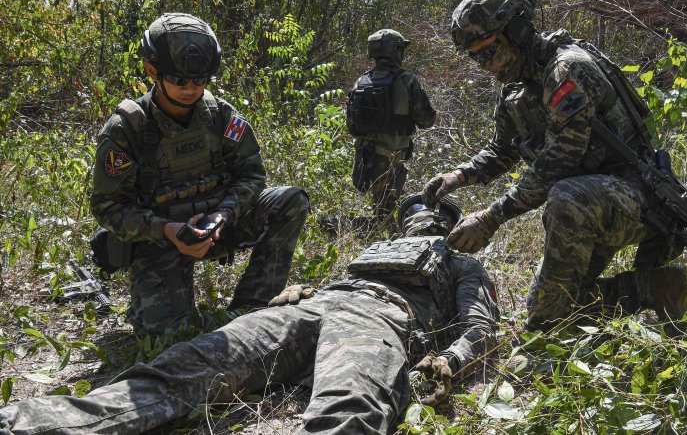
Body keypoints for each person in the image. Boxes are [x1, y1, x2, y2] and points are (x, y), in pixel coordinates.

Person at [0, 195, 498, 434]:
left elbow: (481, 326)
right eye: (415, 215)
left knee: (349, 411)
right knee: (181, 366)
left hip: (379, 321)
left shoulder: (462, 262)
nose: (422, 221)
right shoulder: (375, 249)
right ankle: (25, 424)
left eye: (432, 217)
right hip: (312, 307)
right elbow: (340, 285)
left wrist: (451, 359)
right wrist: (306, 289)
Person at [423, 0, 687, 332]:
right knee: (557, 306)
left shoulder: (567, 70)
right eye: (475, 57)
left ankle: (543, 331)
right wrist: (457, 177)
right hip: (592, 201)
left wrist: (491, 218)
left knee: (564, 198)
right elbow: (503, 149)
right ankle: (654, 288)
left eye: (487, 52)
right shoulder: (516, 86)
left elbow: (558, 161)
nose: (484, 65)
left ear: (517, 31)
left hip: (639, 201)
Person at [89, 12, 309, 337]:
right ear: (153, 70)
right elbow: (108, 207)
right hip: (160, 241)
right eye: (179, 80)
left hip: (218, 227)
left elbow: (252, 176)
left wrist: (224, 213)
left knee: (290, 201)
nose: (190, 89)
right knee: (167, 338)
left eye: (200, 80)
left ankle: (253, 306)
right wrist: (167, 230)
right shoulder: (127, 130)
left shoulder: (220, 116)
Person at [346, 29, 437, 224]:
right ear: (395, 50)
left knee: (380, 207)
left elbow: (351, 126)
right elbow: (427, 120)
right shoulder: (407, 79)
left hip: (365, 156)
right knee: (385, 216)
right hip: (392, 157)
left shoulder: (361, 82)